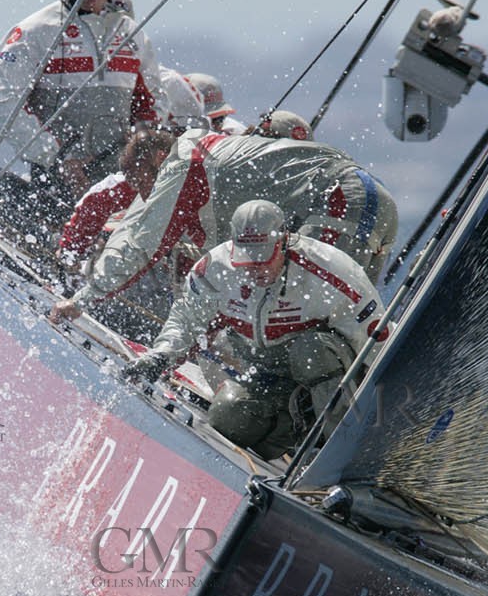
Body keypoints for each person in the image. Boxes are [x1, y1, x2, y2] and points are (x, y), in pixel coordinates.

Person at [49, 110, 397, 323]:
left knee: (310, 311)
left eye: (145, 186)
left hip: (342, 200)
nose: (146, 198)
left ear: (158, 157)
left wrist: (82, 300)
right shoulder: (208, 173)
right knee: (345, 317)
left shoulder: (182, 161)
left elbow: (142, 242)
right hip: (366, 198)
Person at [120, 200, 386, 457]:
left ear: (283, 241)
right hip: (275, 375)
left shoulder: (332, 271)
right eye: (248, 260)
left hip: (334, 369)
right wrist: (160, 355)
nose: (255, 269)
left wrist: (384, 411)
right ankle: (299, 436)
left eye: (263, 257)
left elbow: (377, 342)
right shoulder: (214, 269)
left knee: (310, 352)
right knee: (229, 418)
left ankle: (344, 451)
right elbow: (185, 320)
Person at [0, 0, 165, 236]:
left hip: (123, 176)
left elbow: (153, 104)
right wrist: (55, 156)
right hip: (56, 175)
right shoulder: (35, 31)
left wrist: (143, 151)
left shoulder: (132, 34)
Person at [57, 129, 174, 265]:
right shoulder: (117, 190)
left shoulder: (184, 189)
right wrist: (70, 252)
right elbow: (87, 213)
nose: (142, 192)